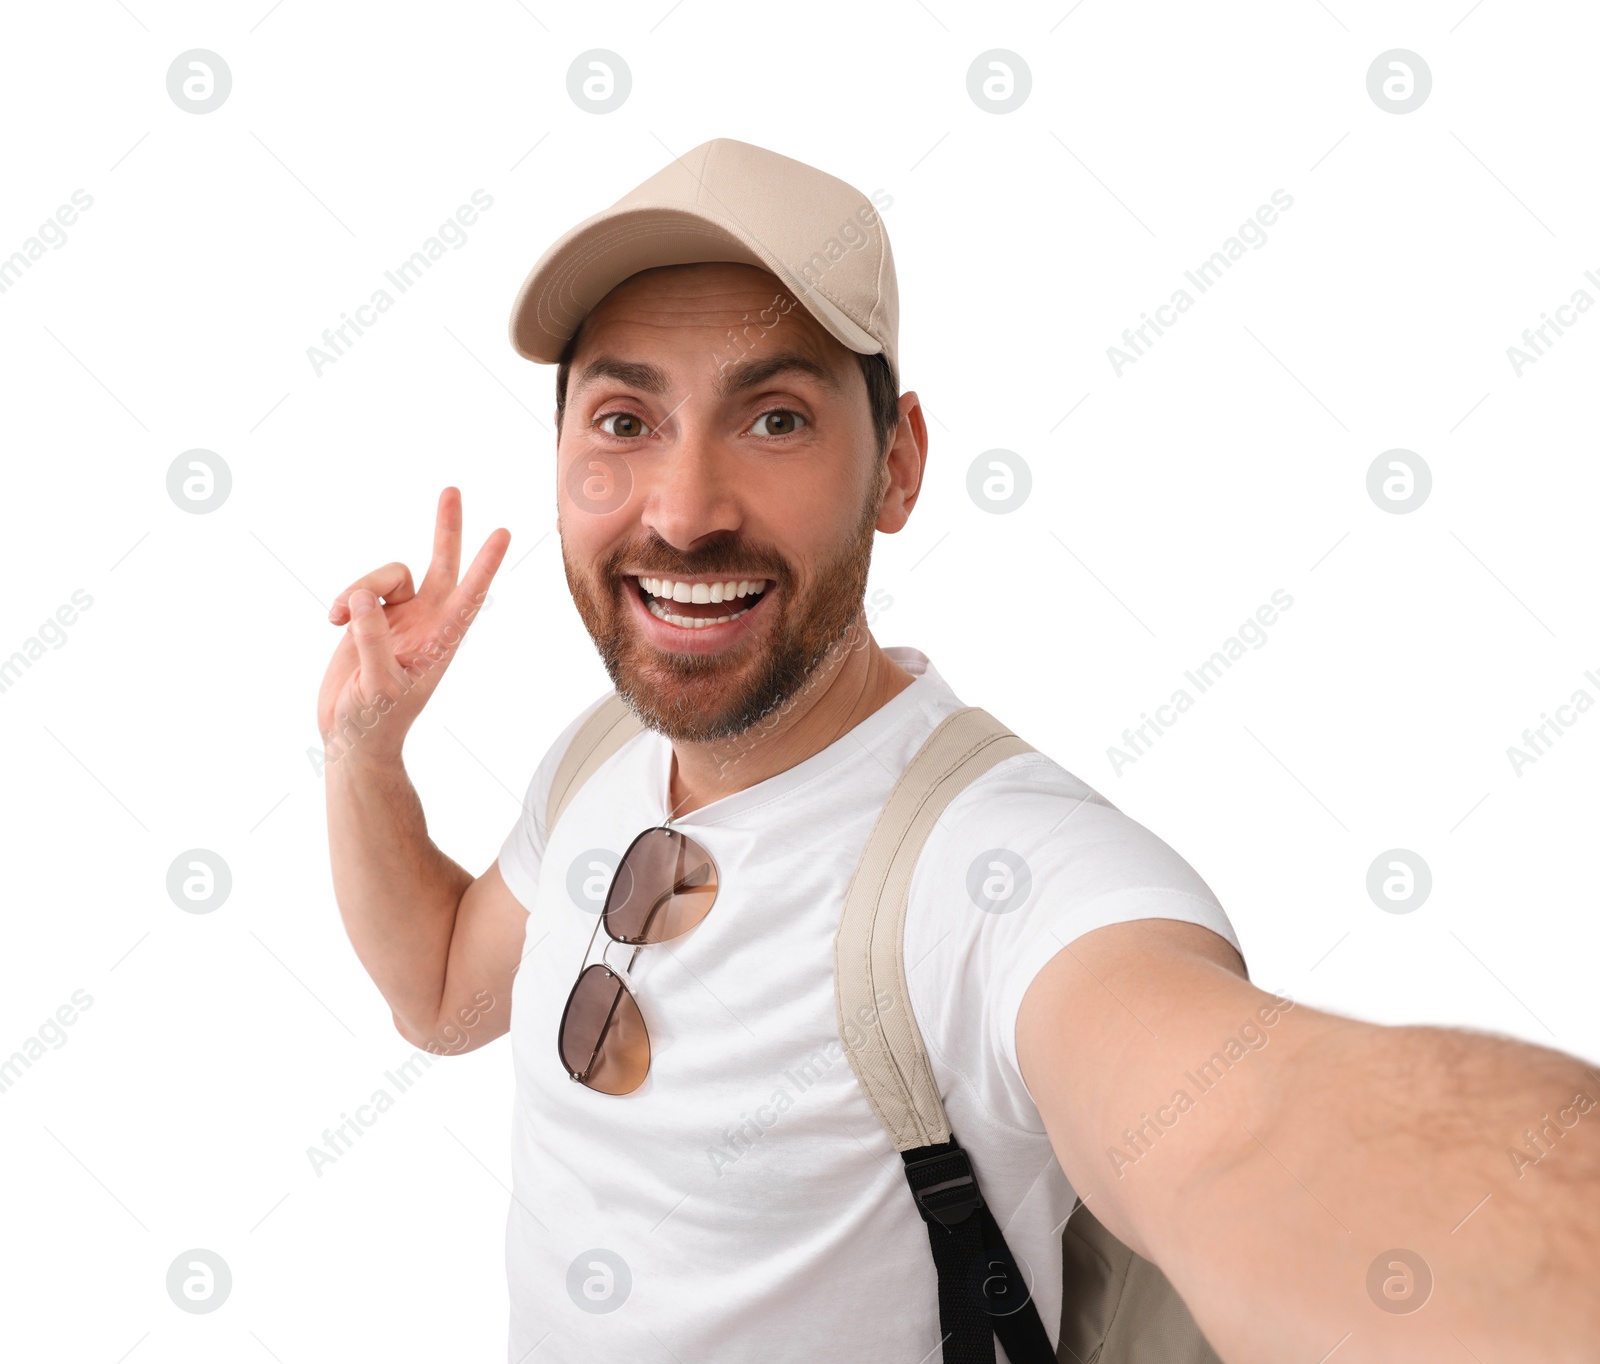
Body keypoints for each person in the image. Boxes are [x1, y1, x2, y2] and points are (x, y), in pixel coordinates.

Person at [318, 138, 1600, 1363]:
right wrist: (365, 756)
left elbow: (1253, 1131)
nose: (684, 508)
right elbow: (442, 995)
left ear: (899, 465)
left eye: (773, 419)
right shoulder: (599, 751)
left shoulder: (999, 869)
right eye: (621, 420)